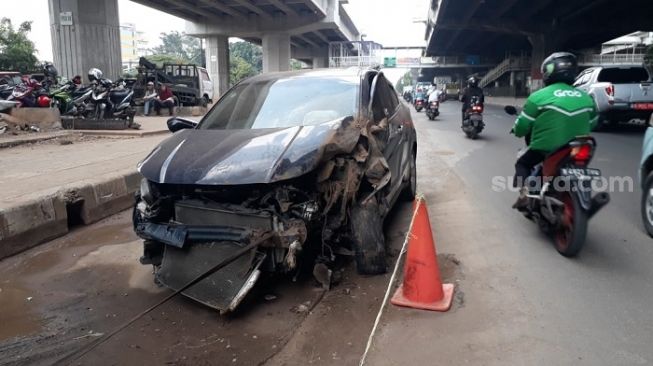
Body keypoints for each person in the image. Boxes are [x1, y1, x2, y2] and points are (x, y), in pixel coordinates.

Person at [511, 52, 598, 208]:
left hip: (547, 149)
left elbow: (522, 127)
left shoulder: (538, 97)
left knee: (522, 163)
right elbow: (592, 122)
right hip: (579, 147)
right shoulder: (587, 97)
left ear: (549, 71)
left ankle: (525, 194)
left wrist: (516, 130)